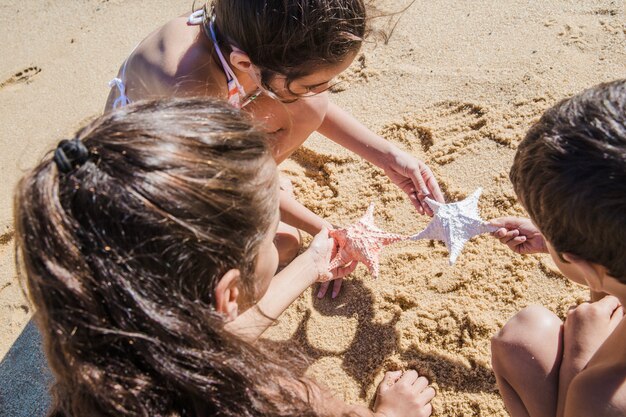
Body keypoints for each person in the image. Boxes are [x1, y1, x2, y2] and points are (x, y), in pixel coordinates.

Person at [15, 98, 436, 417]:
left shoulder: (101, 360)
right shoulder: (271, 401)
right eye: (270, 232)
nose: (280, 233)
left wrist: (310, 265)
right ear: (228, 294)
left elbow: (208, 337)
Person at [105, 0, 445, 298]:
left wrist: (388, 157)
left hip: (201, 139)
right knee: (278, 249)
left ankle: (266, 179)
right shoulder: (188, 83)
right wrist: (330, 233)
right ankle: (266, 190)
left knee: (308, 107)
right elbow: (238, 184)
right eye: (311, 83)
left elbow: (313, 107)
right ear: (243, 65)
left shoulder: (245, 33)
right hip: (151, 179)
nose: (323, 89)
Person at [488, 79, 626, 417]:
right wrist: (567, 239)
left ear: (583, 266)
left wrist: (581, 357)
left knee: (520, 340)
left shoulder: (602, 393)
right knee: (527, 337)